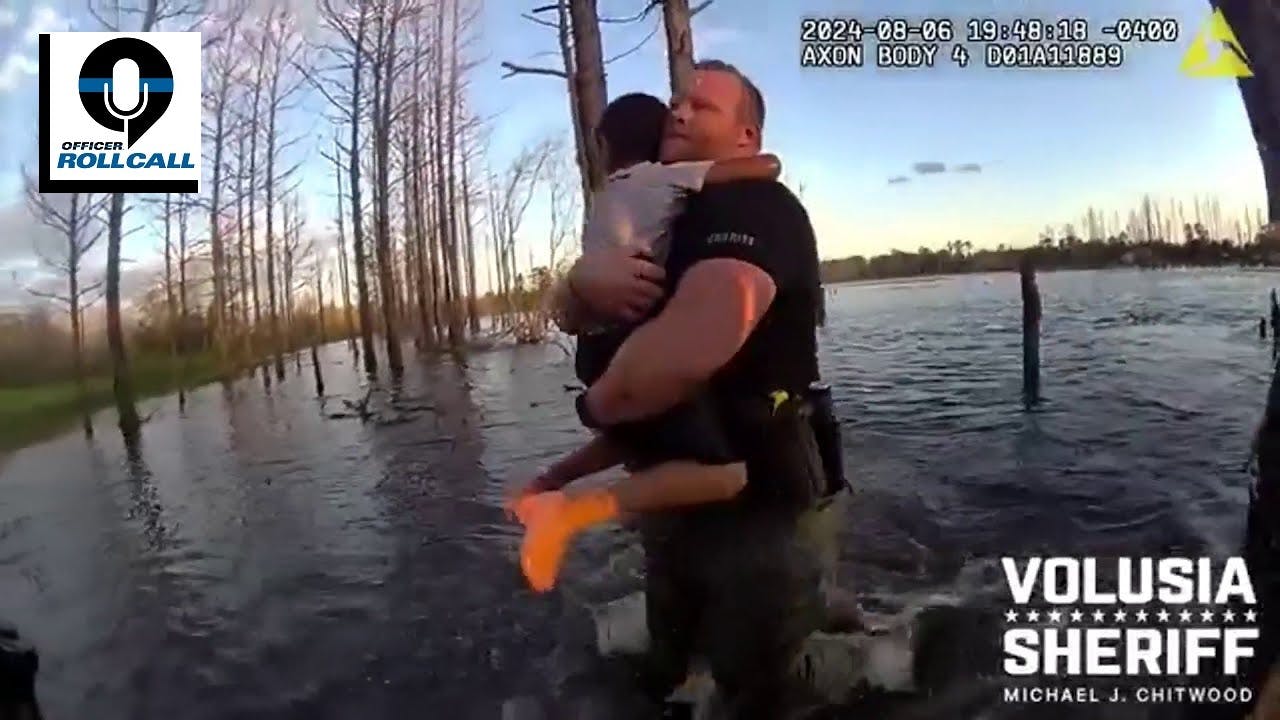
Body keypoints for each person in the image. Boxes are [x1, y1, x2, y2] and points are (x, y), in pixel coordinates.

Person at [519, 59, 836, 718]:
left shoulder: (756, 205)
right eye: (678, 103)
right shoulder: (665, 207)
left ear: (746, 137)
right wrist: (578, 284)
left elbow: (685, 352)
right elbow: (582, 322)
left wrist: (592, 405)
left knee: (764, 693)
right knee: (670, 664)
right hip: (672, 505)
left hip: (759, 515)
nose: (682, 112)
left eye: (705, 107)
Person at [508, 92, 783, 594]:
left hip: (598, 349)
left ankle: (544, 484)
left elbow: (571, 315)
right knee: (727, 474)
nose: (684, 118)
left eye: (702, 109)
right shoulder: (662, 178)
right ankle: (566, 513)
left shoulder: (606, 196)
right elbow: (768, 166)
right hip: (631, 346)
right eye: (676, 116)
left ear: (604, 146)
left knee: (639, 433)